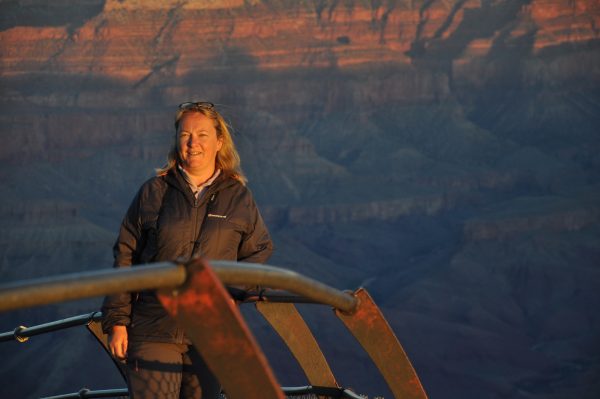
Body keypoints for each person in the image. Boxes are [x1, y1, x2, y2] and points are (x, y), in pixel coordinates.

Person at [101, 101, 273, 398]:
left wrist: (231, 294)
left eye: (202, 135)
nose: (193, 143)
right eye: (185, 135)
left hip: (211, 330)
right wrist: (117, 321)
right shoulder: (154, 191)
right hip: (154, 326)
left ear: (220, 142)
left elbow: (258, 250)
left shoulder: (238, 197)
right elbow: (125, 255)